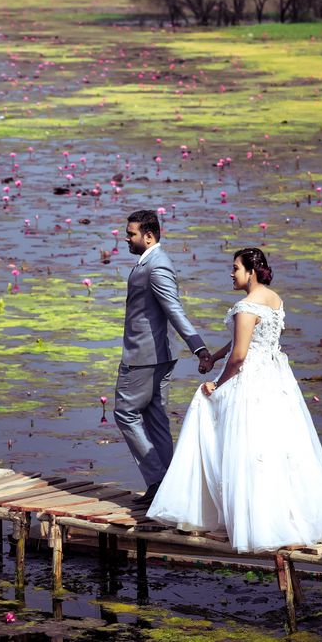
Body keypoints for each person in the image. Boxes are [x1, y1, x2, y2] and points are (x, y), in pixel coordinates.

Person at [147, 247, 322, 552]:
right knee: (279, 448)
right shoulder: (273, 299)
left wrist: (217, 384)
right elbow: (244, 338)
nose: (231, 273)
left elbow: (239, 357)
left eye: (235, 268)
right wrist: (213, 356)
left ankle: (204, 509)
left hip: (249, 380)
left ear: (250, 271)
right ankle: (288, 514)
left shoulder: (245, 306)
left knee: (219, 420)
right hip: (275, 380)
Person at [115, 209, 212, 505]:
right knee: (156, 420)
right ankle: (172, 486)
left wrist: (199, 347)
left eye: (131, 234)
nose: (125, 238)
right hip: (158, 355)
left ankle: (158, 479)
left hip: (144, 356)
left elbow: (174, 310)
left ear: (149, 235)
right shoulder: (150, 262)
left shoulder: (156, 267)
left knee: (124, 412)